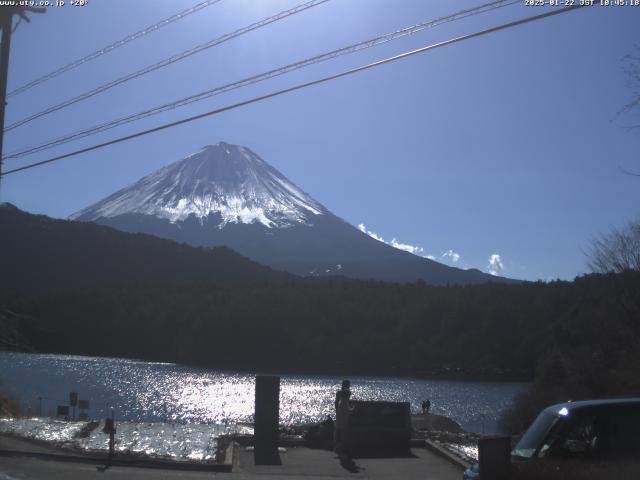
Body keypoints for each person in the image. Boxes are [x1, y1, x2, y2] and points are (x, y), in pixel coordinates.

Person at [334, 379, 352, 455]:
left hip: (340, 410)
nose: (349, 385)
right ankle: (341, 447)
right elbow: (346, 402)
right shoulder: (347, 392)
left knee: (338, 429)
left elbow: (336, 402)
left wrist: (337, 410)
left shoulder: (339, 392)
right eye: (348, 384)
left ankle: (338, 447)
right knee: (344, 430)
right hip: (344, 410)